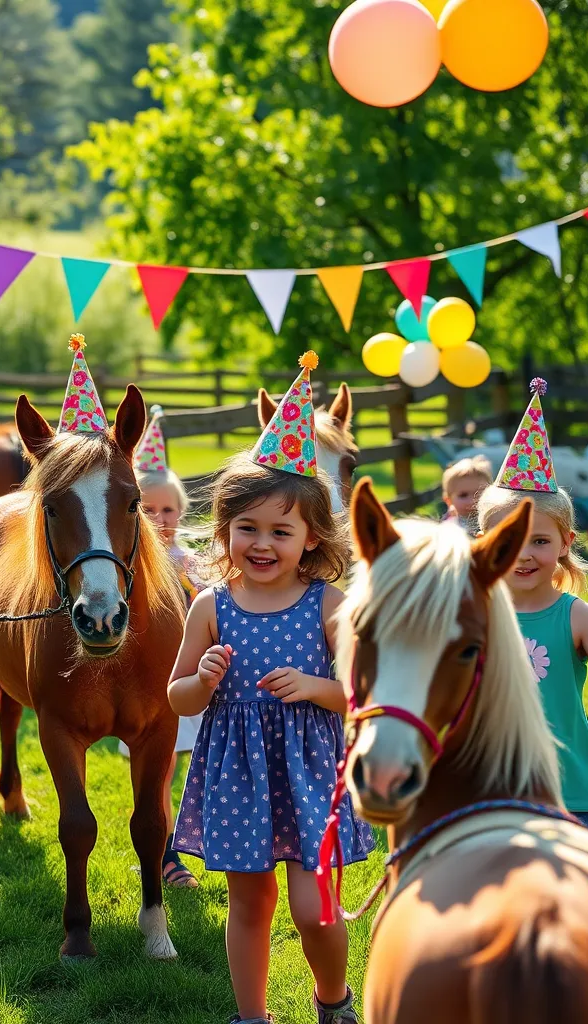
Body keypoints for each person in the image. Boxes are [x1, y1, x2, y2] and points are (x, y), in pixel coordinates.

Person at [168, 353, 372, 1024]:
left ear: (311, 537)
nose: (262, 543)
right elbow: (178, 700)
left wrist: (318, 686)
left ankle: (332, 999)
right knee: (250, 902)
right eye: (246, 528)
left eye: (280, 531)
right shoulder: (210, 606)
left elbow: (364, 693)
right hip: (237, 772)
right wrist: (200, 680)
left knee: (314, 908)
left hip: (310, 768)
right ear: (224, 530)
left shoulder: (328, 604)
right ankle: (251, 1015)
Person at [477, 378, 588, 831]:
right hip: (488, 790)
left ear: (566, 542)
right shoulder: (474, 616)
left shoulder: (578, 618)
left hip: (572, 793)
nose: (524, 554)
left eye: (540, 541)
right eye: (508, 541)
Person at [125, 404, 204, 888]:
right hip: (152, 683)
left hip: (194, 680)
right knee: (161, 770)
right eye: (147, 509)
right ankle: (166, 851)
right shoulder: (130, 565)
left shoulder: (191, 561)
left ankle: (192, 841)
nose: (159, 518)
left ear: (182, 510)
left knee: (197, 767)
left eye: (168, 509)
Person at [441, 454, 492, 534]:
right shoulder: (448, 530)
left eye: (479, 494)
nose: (472, 501)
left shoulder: (495, 522)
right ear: (449, 500)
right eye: (463, 495)